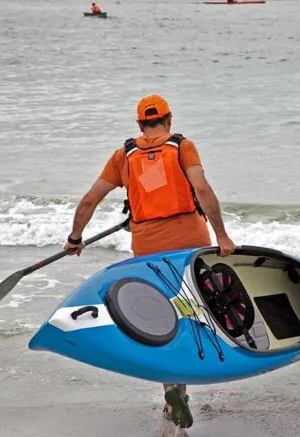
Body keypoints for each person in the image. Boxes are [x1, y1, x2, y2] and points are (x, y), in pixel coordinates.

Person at [64, 94, 237, 429]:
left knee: (161, 317)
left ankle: (172, 389)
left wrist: (75, 238)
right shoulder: (182, 146)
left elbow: (90, 200)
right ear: (169, 120)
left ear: (140, 125)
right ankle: (194, 374)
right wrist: (222, 237)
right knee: (195, 310)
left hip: (147, 247)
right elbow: (201, 189)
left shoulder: (124, 156)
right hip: (190, 242)